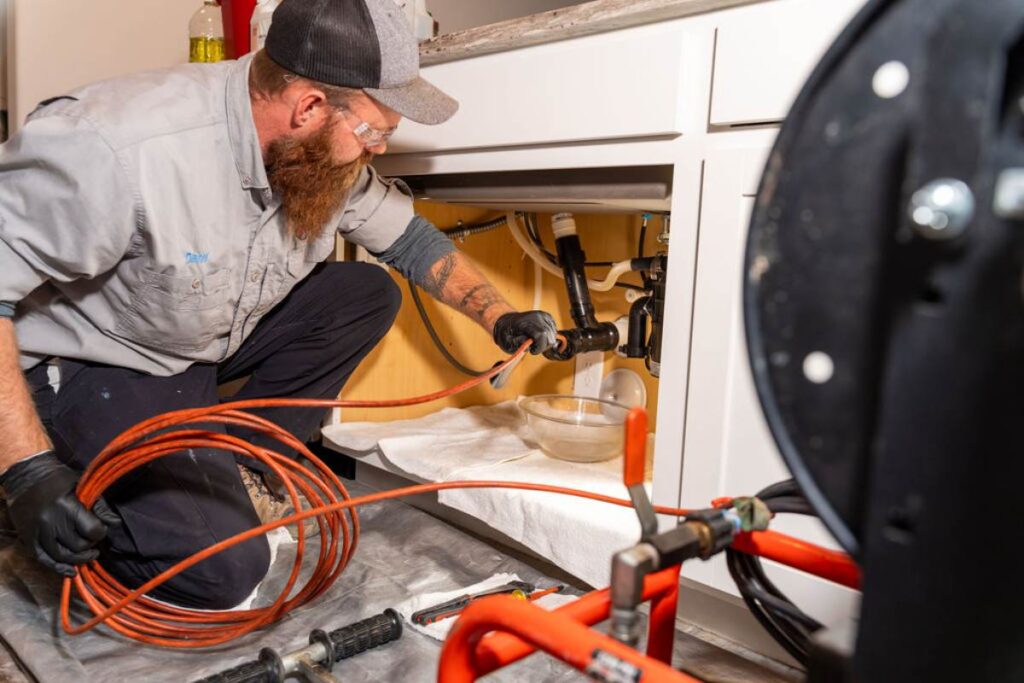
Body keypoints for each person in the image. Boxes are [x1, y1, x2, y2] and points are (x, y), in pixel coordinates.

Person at [0, 0, 557, 609]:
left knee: (364, 294)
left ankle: (244, 471)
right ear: (310, 107)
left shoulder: (311, 154)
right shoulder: (116, 146)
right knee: (223, 574)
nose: (376, 151)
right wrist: (27, 472)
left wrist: (499, 315)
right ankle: (58, 489)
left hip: (193, 342)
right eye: (373, 132)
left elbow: (411, 241)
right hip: (93, 367)